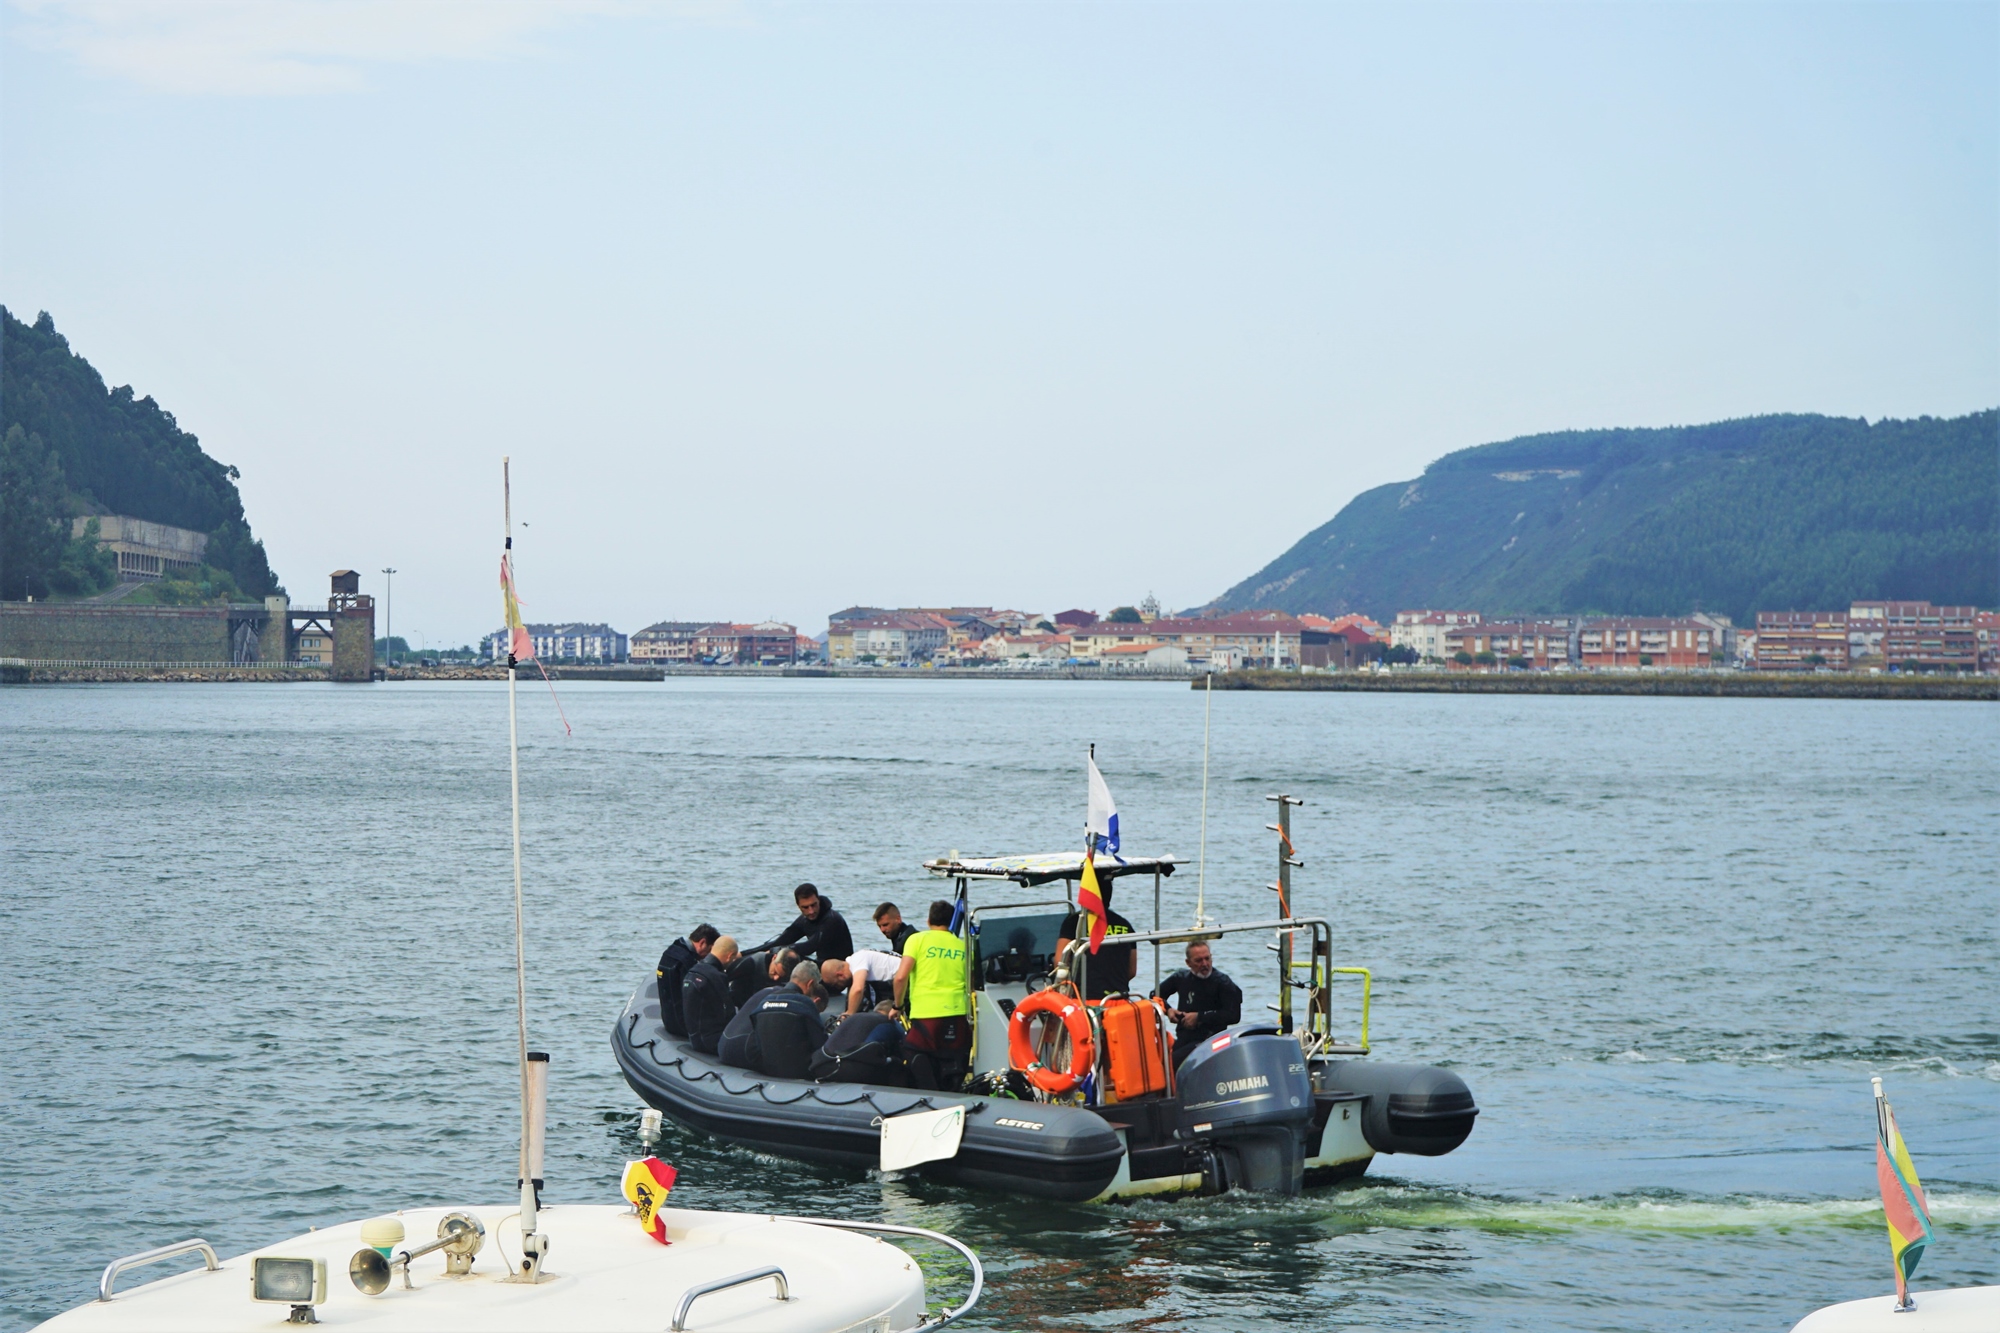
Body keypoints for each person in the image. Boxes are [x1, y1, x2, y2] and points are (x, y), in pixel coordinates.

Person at [893, 900, 971, 1090]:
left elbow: (900, 978)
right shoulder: (964, 946)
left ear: (928, 921)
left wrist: (898, 1006)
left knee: (911, 1052)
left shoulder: (917, 940)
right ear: (952, 921)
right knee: (954, 1061)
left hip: (926, 1017)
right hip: (957, 1015)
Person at [718, 960, 830, 1079]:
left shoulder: (765, 1001)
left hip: (760, 1064)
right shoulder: (805, 1004)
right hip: (795, 1071)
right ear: (810, 984)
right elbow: (820, 1045)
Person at [1154, 941, 1243, 1066]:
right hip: (1185, 1037)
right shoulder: (1181, 978)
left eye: (1207, 959)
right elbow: (1155, 995)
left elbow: (1234, 1015)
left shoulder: (1223, 983)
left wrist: (1199, 1017)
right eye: (1198, 961)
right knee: (1157, 1061)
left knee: (1172, 1062)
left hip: (1211, 1039)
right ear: (1188, 963)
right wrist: (1168, 1010)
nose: (1204, 964)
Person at [1056, 882, 1138, 1000]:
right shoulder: (1124, 924)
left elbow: (1059, 962)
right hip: (1119, 998)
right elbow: (1131, 971)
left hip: (1083, 1000)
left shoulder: (1075, 922)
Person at [809, 1002, 908, 1086]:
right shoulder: (890, 1022)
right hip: (853, 1071)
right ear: (896, 1015)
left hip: (821, 1066)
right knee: (896, 1063)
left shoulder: (854, 1017)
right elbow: (904, 1051)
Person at [754, 883, 854, 964]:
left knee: (788, 957)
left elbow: (810, 947)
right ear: (798, 906)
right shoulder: (804, 920)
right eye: (805, 907)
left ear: (818, 900)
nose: (811, 911)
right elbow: (781, 941)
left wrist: (775, 951)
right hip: (821, 965)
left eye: (813, 905)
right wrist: (743, 954)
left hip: (841, 969)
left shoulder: (832, 919)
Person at [655, 923, 719, 1038]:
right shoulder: (687, 962)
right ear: (702, 943)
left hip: (668, 1020)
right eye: (709, 950)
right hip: (682, 1026)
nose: (708, 956)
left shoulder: (671, 951)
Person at [681, 934, 739, 1056]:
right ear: (729, 956)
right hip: (710, 1042)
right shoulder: (717, 977)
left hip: (694, 1037)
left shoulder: (692, 971)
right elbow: (728, 1014)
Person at [820, 948, 905, 1017]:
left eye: (836, 984)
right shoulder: (859, 961)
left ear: (840, 975)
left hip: (905, 982)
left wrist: (849, 1014)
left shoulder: (857, 960)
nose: (838, 988)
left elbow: (858, 989)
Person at [728, 946, 800, 1010]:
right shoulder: (751, 963)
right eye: (775, 972)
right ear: (774, 958)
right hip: (740, 1006)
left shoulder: (794, 975)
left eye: (782, 976)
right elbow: (723, 979)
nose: (776, 978)